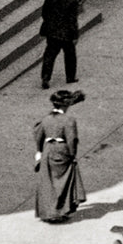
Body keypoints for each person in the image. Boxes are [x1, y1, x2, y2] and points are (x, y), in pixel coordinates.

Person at [34, 90, 86, 222]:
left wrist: (40, 150)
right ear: (66, 105)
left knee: (48, 183)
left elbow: (38, 135)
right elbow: (72, 139)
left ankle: (47, 212)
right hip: (62, 150)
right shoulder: (68, 120)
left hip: (48, 150)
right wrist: (72, 154)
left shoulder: (45, 119)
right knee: (62, 183)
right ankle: (59, 211)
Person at [39, 0, 80, 90]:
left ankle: (46, 77)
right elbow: (72, 20)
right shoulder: (71, 0)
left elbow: (44, 13)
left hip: (52, 32)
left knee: (49, 55)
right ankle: (70, 77)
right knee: (70, 55)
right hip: (66, 33)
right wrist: (75, 35)